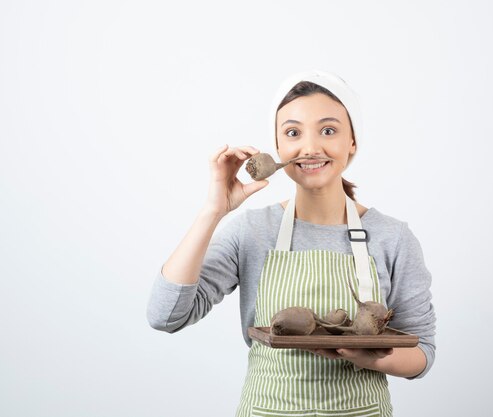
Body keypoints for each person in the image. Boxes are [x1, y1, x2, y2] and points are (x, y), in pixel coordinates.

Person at [147, 70, 436, 417]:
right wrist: (213, 211)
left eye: (328, 130)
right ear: (279, 147)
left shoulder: (393, 237)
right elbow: (166, 316)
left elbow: (423, 353)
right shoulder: (252, 231)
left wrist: (370, 358)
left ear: (353, 142)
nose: (310, 147)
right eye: (293, 133)